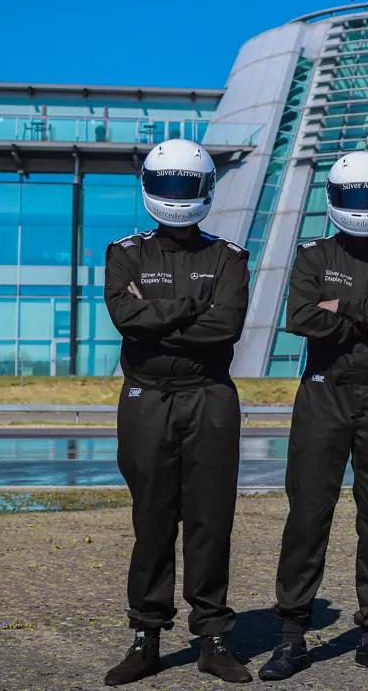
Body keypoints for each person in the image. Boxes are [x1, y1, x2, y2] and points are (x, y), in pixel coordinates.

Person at [259, 151, 368, 681]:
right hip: (322, 393)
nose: (362, 207)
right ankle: (292, 637)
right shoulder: (312, 254)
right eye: (353, 197)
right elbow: (300, 318)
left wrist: (341, 310)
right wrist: (365, 317)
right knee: (308, 516)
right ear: (334, 198)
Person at [101, 139, 252, 686]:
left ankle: (212, 637)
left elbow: (226, 327)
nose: (175, 196)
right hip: (145, 398)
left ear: (207, 190)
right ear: (147, 186)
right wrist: (194, 307)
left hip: (210, 396)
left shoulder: (228, 256)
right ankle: (146, 637)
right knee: (152, 520)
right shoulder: (125, 252)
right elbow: (126, 318)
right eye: (166, 185)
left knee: (211, 521)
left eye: (185, 187)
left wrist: (158, 315)